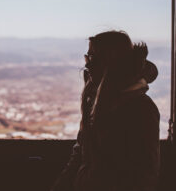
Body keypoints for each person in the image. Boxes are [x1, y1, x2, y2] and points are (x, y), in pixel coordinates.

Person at [51, 31, 160, 191]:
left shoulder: (141, 108)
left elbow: (142, 176)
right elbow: (81, 153)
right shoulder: (94, 100)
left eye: (93, 57)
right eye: (87, 57)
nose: (87, 64)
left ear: (111, 61)